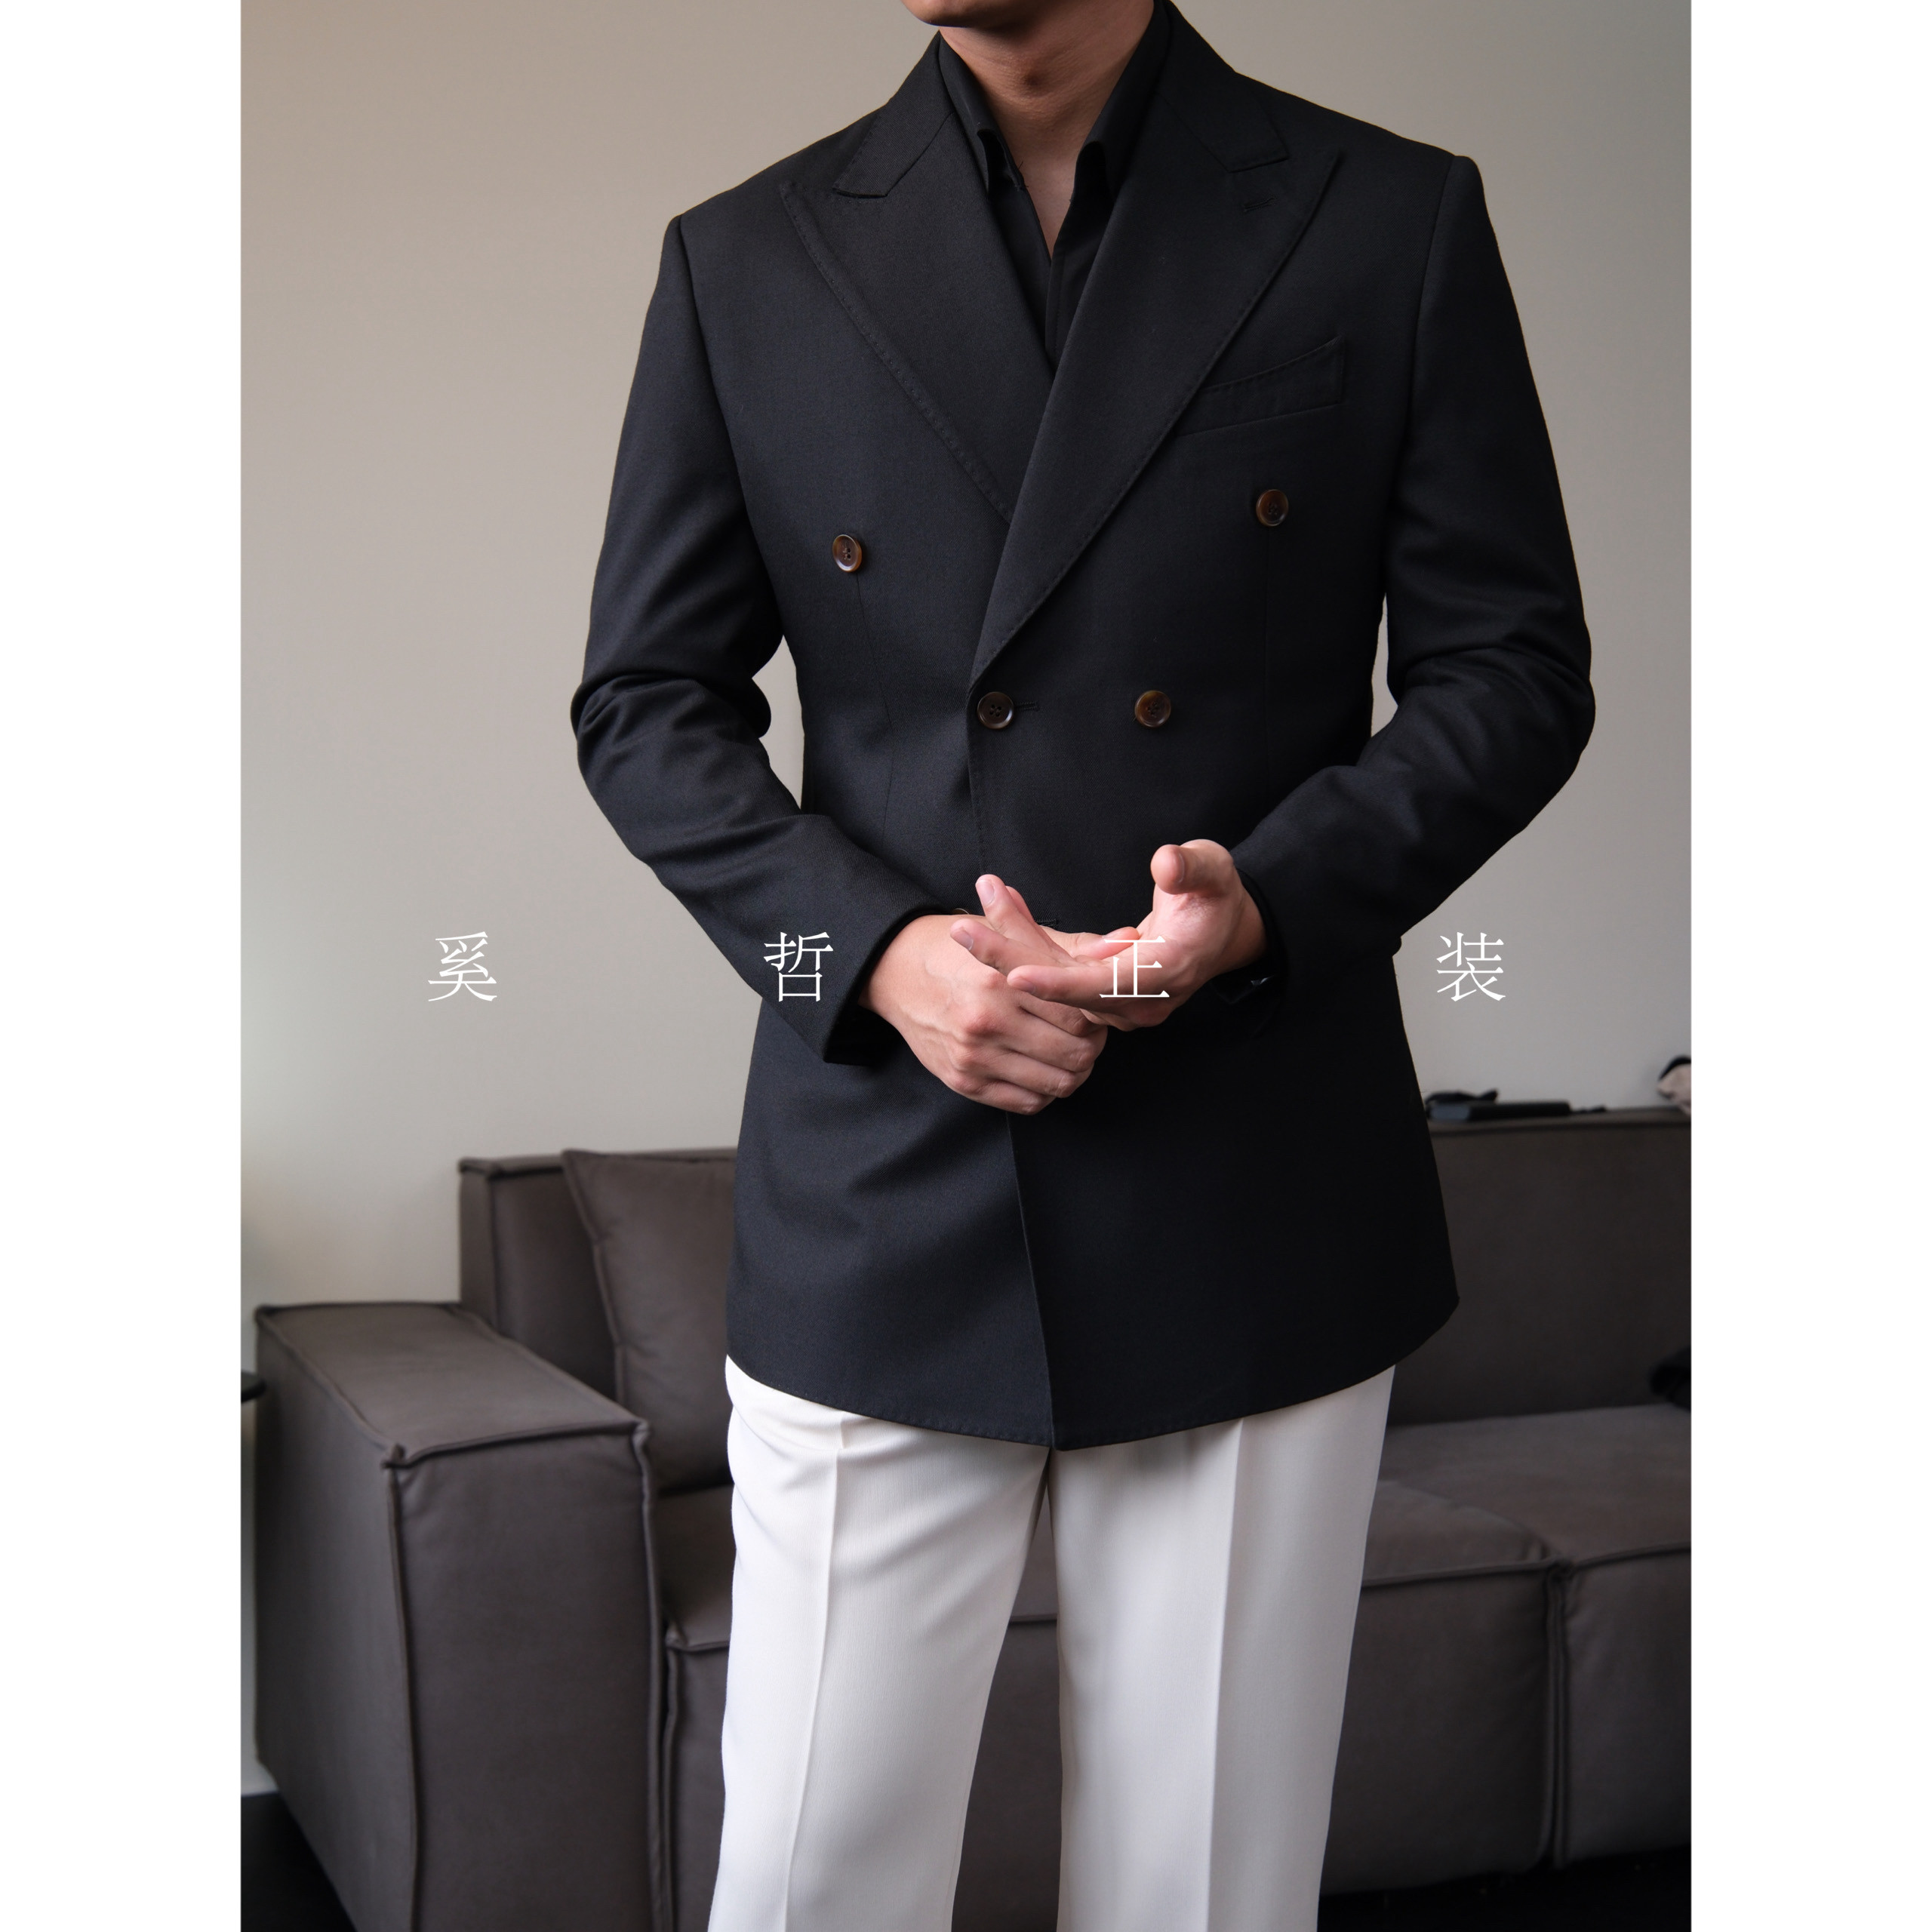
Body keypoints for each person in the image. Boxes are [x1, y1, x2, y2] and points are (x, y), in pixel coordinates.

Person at [571, 1, 1593, 1925]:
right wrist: (870, 955)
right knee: (805, 1881)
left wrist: (1268, 899)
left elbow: (1511, 670)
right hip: (881, 1173)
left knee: (1199, 1887)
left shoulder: (1384, 216)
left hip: (1249, 1171)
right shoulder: (746, 258)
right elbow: (644, 708)